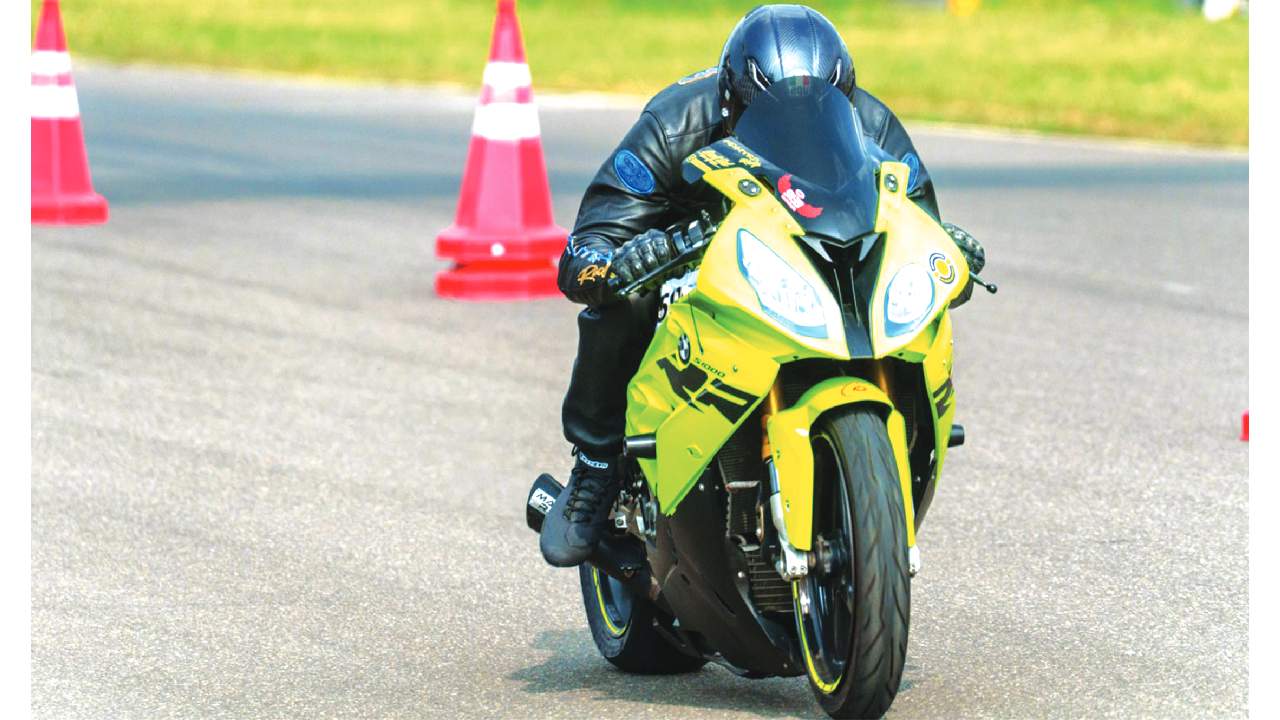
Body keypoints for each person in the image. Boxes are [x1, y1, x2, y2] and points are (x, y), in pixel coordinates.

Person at [540, 4, 986, 567]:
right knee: (625, 300)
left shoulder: (873, 127)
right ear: (731, 102)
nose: (798, 128)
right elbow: (588, 247)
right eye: (776, 115)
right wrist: (619, 262)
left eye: (818, 112)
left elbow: (918, 223)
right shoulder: (672, 125)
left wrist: (946, 251)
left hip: (810, 261)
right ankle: (596, 466)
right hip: (693, 262)